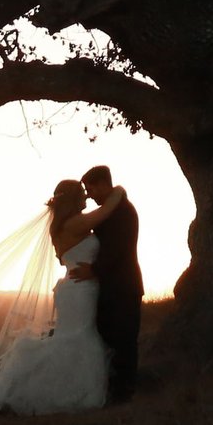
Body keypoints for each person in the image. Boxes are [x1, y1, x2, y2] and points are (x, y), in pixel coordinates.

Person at [0, 178, 127, 416]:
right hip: (79, 290)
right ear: (73, 199)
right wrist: (118, 190)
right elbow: (106, 211)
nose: (86, 198)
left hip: (74, 287)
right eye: (82, 194)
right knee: (78, 339)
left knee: (73, 338)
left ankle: (64, 388)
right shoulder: (74, 223)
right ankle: (69, 393)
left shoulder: (61, 226)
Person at [80, 164, 142, 402]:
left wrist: (93, 270)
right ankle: (115, 385)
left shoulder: (122, 212)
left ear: (104, 184)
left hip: (124, 286)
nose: (89, 194)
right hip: (111, 286)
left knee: (125, 338)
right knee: (110, 335)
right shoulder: (111, 209)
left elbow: (117, 249)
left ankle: (125, 391)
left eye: (91, 188)